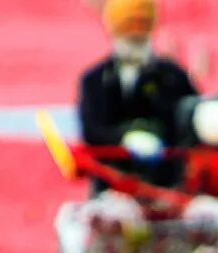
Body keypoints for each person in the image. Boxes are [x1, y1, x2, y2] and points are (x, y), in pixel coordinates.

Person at [77, 0, 199, 191]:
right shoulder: (95, 80)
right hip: (111, 187)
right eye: (129, 38)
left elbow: (190, 124)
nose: (135, 44)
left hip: (168, 186)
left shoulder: (173, 77)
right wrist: (125, 138)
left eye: (140, 39)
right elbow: (92, 131)